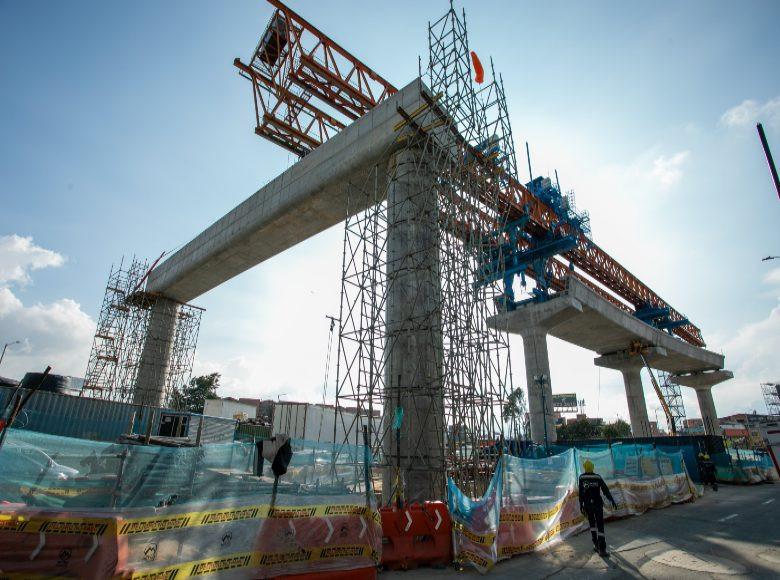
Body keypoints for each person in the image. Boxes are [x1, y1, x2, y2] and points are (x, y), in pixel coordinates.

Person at [579, 459, 617, 557]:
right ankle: (602, 549)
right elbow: (605, 489)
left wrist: (581, 505)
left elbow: (581, 493)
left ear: (585, 467)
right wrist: (611, 499)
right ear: (592, 467)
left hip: (588, 505)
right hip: (597, 504)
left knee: (592, 524)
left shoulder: (581, 478)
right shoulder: (597, 477)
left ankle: (595, 545)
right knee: (600, 525)